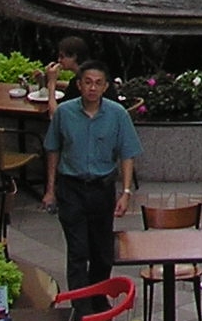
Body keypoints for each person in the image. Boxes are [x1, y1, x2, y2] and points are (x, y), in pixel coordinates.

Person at [41, 61, 141, 290]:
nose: (92, 88)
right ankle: (80, 306)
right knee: (78, 251)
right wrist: (50, 190)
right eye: (87, 83)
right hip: (71, 188)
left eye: (97, 83)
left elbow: (127, 154)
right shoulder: (64, 113)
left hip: (102, 189)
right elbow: (53, 150)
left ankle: (98, 296)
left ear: (105, 87)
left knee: (102, 251)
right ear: (79, 85)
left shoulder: (117, 115)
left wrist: (125, 192)